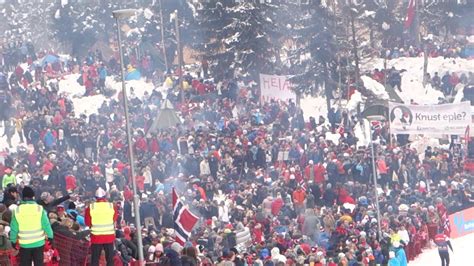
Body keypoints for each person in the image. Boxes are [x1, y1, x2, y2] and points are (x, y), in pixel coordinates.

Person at [10, 186, 54, 266]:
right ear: (33, 196)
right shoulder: (39, 209)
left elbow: (14, 228)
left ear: (23, 197)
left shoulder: (17, 210)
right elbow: (46, 225)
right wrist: (50, 236)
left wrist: (13, 241)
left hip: (24, 244)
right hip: (39, 243)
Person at [85, 187, 118, 266]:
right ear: (105, 196)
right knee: (110, 259)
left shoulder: (91, 207)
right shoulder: (111, 206)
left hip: (96, 237)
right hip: (109, 237)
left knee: (95, 259)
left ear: (95, 197)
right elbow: (114, 218)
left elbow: (87, 222)